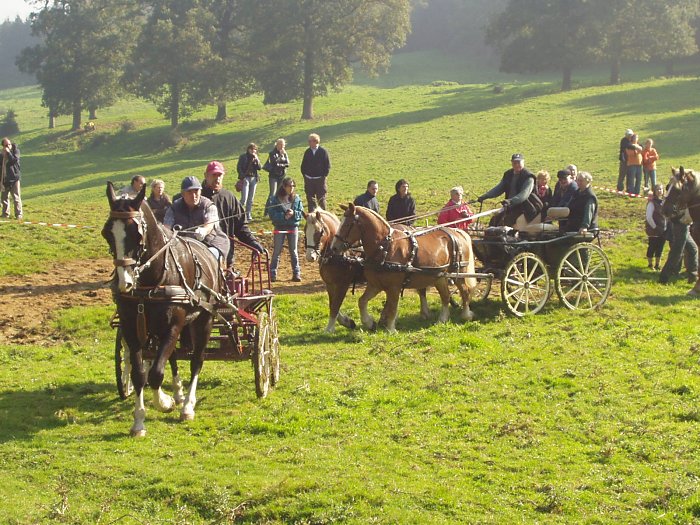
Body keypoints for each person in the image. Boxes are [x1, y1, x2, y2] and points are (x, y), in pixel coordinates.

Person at [202, 160, 265, 269]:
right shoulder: (196, 197)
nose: (217, 178)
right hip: (202, 256)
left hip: (226, 256)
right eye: (214, 175)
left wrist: (252, 242)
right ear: (206, 176)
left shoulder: (229, 197)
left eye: (220, 175)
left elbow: (240, 226)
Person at [164, 176, 230, 264]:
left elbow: (210, 223)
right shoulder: (174, 208)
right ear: (183, 194)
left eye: (196, 191)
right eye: (189, 192)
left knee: (205, 258)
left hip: (210, 243)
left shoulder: (208, 205)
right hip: (183, 246)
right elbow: (166, 227)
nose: (194, 196)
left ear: (200, 191)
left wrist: (204, 230)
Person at [477, 153, 542, 228]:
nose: (517, 165)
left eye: (519, 162)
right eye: (515, 162)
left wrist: (510, 201)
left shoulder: (528, 177)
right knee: (494, 220)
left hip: (526, 207)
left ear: (523, 162)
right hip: (511, 206)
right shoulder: (508, 174)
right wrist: (484, 196)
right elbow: (499, 188)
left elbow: (524, 195)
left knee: (505, 222)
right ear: (512, 163)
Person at [266, 177, 304, 282]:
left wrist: (293, 214)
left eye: (293, 186)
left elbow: (300, 213)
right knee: (277, 251)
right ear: (284, 186)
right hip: (280, 227)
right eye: (289, 186)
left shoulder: (296, 198)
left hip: (293, 227)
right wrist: (283, 216)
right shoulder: (275, 199)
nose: (291, 188)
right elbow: (272, 214)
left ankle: (296, 273)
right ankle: (272, 274)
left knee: (294, 251)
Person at [659, 208, 699, 285]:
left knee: (692, 249)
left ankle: (693, 276)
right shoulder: (683, 197)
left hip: (683, 224)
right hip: (681, 224)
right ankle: (664, 278)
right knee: (677, 252)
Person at [300, 133, 331, 212]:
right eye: (309, 141)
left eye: (311, 141)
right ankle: (311, 216)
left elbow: (327, 165)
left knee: (321, 198)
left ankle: (323, 215)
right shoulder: (307, 152)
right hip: (309, 179)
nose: (309, 143)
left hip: (320, 179)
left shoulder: (323, 151)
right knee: (310, 198)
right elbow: (303, 165)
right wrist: (305, 175)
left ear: (316, 141)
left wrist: (324, 176)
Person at [236, 143, 262, 222]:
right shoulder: (243, 157)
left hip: (254, 179)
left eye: (255, 149)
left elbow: (260, 168)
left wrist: (257, 159)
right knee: (244, 198)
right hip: (245, 178)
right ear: (248, 149)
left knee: (251, 199)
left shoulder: (255, 158)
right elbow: (239, 167)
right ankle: (237, 213)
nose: (253, 151)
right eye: (252, 149)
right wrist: (242, 176)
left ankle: (248, 214)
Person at [645, 183, 667, 271]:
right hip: (654, 230)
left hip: (663, 229)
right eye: (657, 189)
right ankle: (650, 265)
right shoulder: (651, 203)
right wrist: (655, 227)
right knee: (652, 247)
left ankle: (658, 264)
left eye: (661, 189)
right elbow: (649, 217)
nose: (659, 191)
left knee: (660, 247)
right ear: (654, 191)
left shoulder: (664, 202)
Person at [0, 137, 22, 219]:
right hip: (5, 179)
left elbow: (14, 161)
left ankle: (18, 214)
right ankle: (5, 214)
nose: (8, 146)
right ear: (3, 146)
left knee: (16, 197)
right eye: (6, 145)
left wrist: (9, 153)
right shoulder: (1, 155)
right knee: (4, 198)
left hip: (14, 178)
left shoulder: (15, 151)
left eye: (9, 144)